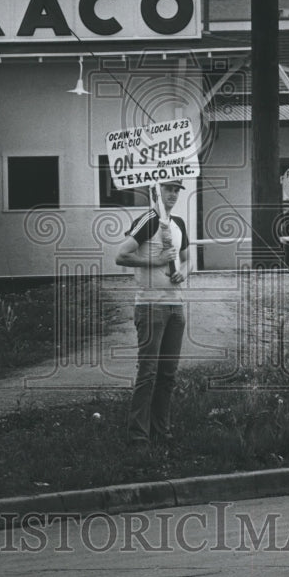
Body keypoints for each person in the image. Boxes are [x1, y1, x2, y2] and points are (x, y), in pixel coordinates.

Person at [115, 180, 189, 451]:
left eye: (176, 190)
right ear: (156, 191)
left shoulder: (178, 223)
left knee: (167, 374)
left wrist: (184, 271)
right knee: (148, 372)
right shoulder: (149, 219)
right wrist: (155, 262)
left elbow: (187, 257)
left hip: (176, 307)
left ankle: (161, 431)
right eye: (168, 189)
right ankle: (138, 437)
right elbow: (121, 255)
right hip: (150, 305)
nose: (172, 194)